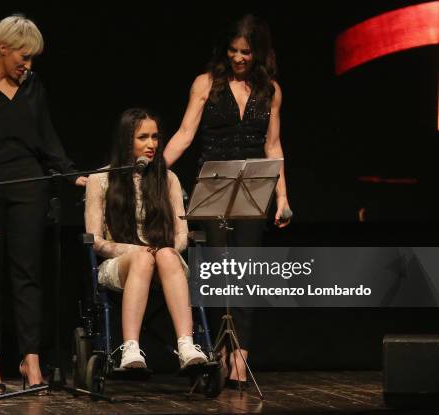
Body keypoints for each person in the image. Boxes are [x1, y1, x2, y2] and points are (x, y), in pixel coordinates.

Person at [0, 14, 86, 395]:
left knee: (28, 275)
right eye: (22, 56)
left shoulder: (32, 84)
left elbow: (46, 135)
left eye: (32, 58)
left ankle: (30, 359)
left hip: (29, 186)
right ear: (1, 48)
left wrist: (69, 172)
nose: (27, 65)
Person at [162, 14, 291, 388]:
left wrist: (282, 195)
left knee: (247, 272)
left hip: (254, 185)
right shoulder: (206, 84)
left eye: (246, 52)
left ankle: (241, 354)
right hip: (214, 183)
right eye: (233, 51)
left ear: (258, 53)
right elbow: (185, 134)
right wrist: (154, 170)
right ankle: (218, 348)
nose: (238, 58)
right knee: (219, 271)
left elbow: (273, 146)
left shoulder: (271, 90)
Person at [85, 108, 208, 369]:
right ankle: (130, 349)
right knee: (142, 258)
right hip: (121, 263)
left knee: (165, 254)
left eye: (155, 137)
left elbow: (181, 234)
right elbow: (95, 240)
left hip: (166, 263)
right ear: (126, 140)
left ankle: (186, 345)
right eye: (143, 137)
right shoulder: (99, 179)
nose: (152, 144)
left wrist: (165, 251)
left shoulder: (168, 179)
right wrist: (136, 251)